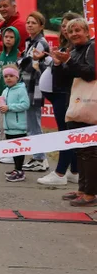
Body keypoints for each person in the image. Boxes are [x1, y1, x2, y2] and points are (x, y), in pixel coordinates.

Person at [52, 17, 97, 206]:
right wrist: (57, 64)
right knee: (80, 150)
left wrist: (69, 61)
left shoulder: (91, 48)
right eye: (70, 32)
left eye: (78, 30)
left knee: (89, 152)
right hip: (75, 104)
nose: (74, 34)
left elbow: (91, 73)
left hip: (89, 105)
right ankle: (82, 189)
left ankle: (90, 194)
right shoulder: (73, 50)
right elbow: (61, 82)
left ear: (87, 32)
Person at [38, 12, 82, 186]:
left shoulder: (77, 49)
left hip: (65, 94)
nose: (65, 29)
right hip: (59, 93)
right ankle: (74, 170)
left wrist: (60, 62)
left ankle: (60, 172)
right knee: (68, 133)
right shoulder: (65, 46)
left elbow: (71, 72)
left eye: (69, 25)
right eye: (63, 25)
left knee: (66, 134)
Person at [19, 12, 52, 173]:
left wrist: (21, 61)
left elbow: (29, 64)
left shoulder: (41, 43)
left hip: (35, 86)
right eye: (28, 22)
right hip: (27, 85)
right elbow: (25, 60)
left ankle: (40, 158)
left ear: (41, 26)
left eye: (33, 22)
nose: (30, 25)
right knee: (30, 123)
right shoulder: (29, 42)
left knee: (34, 124)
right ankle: (37, 156)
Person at [0, 66, 30, 182]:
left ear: (17, 77)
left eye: (11, 76)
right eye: (6, 76)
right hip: (9, 126)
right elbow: (3, 105)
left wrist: (9, 107)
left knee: (19, 150)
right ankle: (16, 169)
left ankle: (20, 171)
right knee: (13, 149)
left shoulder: (20, 89)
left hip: (18, 126)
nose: (8, 79)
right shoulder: (5, 90)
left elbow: (25, 104)